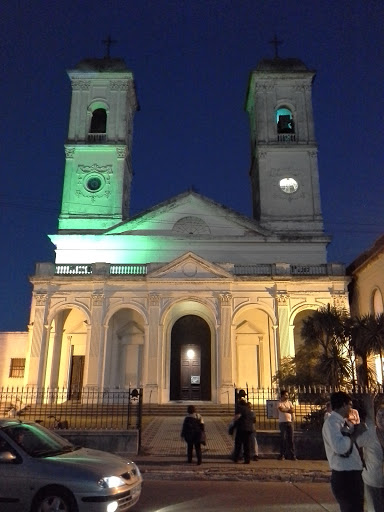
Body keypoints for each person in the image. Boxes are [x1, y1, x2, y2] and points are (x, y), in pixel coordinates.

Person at [322, 391, 367, 512]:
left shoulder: (343, 422)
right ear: (343, 405)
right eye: (350, 405)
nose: (351, 409)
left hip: (352, 474)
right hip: (345, 476)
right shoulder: (331, 423)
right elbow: (340, 447)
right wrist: (355, 434)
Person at [355, 399, 384, 512]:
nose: (381, 418)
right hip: (373, 482)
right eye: (379, 415)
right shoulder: (370, 433)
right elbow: (353, 444)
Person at [232, 391, 254, 464]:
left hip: (241, 428)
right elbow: (252, 419)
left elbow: (237, 417)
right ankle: (247, 459)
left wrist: (233, 426)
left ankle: (236, 458)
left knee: (238, 444)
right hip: (249, 429)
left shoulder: (240, 408)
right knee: (246, 445)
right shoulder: (248, 410)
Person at [278, 390, 296, 460]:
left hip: (290, 421)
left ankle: (292, 455)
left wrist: (287, 410)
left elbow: (293, 410)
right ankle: (282, 455)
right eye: (285, 395)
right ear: (282, 395)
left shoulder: (289, 402)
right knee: (283, 439)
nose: (287, 396)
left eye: (287, 395)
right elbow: (281, 409)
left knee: (291, 439)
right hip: (282, 422)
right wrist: (288, 410)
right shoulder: (279, 403)